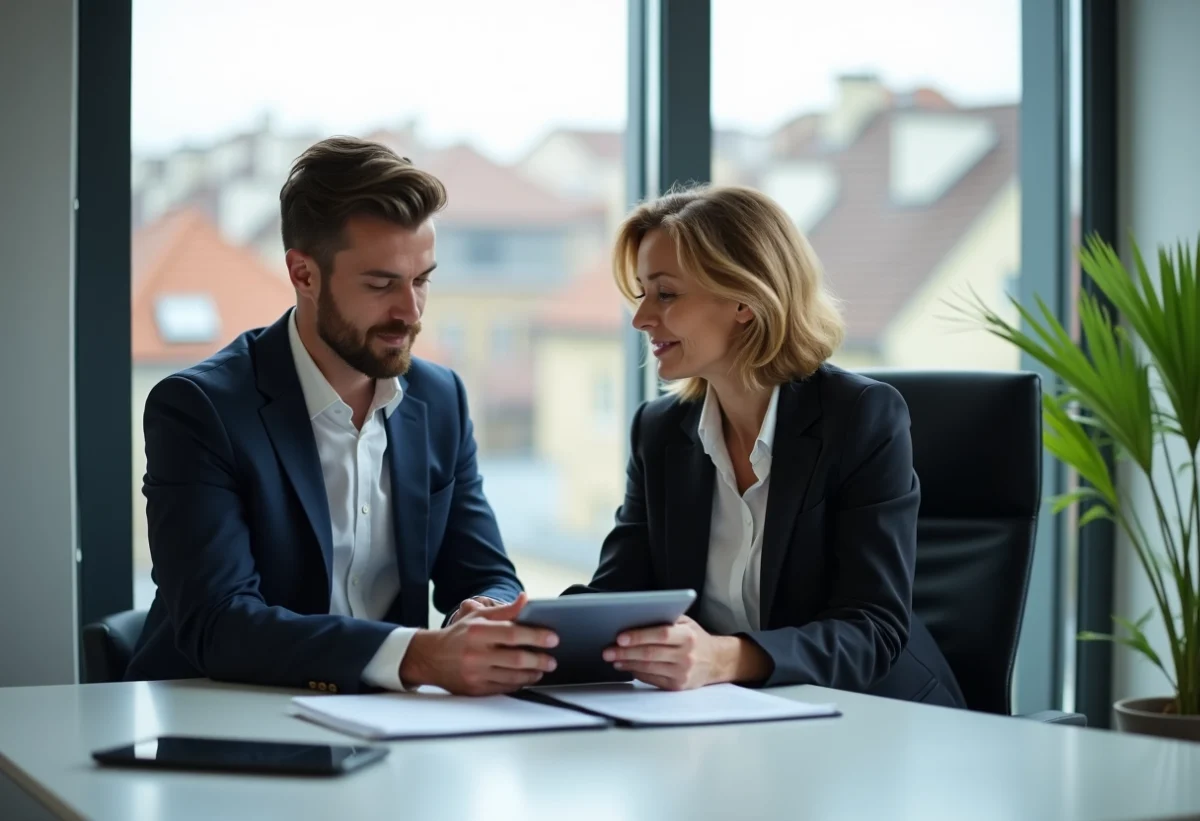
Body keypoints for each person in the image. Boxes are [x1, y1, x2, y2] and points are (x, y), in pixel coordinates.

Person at [127, 137, 558, 696]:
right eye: (381, 285)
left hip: (383, 727)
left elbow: (487, 573)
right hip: (218, 720)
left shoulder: (440, 398)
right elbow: (220, 623)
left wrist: (482, 614)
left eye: (422, 280)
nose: (411, 312)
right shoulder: (200, 409)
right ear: (303, 274)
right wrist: (419, 656)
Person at [574, 184, 964, 705]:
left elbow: (872, 629)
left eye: (665, 294)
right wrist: (525, 626)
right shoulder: (661, 430)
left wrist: (724, 657)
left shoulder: (861, 417)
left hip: (877, 717)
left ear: (745, 299)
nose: (641, 318)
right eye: (642, 293)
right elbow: (621, 597)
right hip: (735, 714)